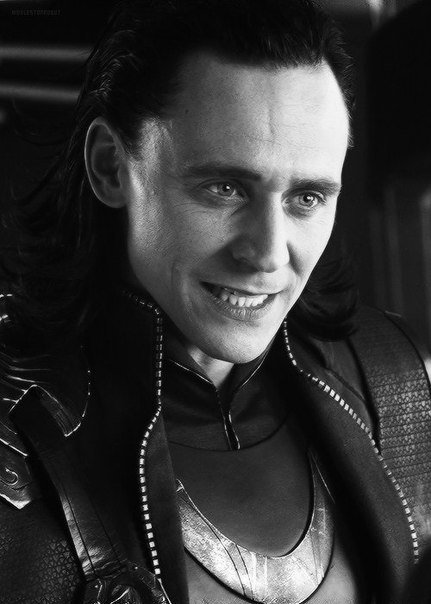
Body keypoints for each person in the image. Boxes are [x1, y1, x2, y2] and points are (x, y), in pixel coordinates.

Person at [1, 1, 431, 603]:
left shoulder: (402, 380)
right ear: (111, 167)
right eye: (225, 188)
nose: (268, 254)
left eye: (307, 197)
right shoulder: (15, 430)